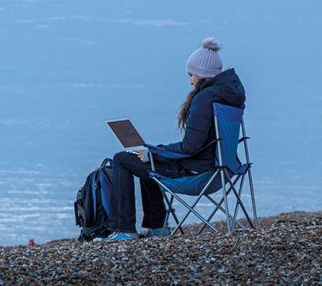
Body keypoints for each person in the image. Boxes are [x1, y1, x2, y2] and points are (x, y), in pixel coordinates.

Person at [96, 37, 246, 241]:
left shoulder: (205, 99)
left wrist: (153, 153)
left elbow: (190, 146)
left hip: (199, 174)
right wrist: (153, 154)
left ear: (201, 74)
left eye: (191, 74)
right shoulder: (228, 97)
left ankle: (124, 229)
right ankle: (156, 226)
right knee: (147, 162)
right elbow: (198, 145)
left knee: (123, 158)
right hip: (222, 170)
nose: (190, 80)